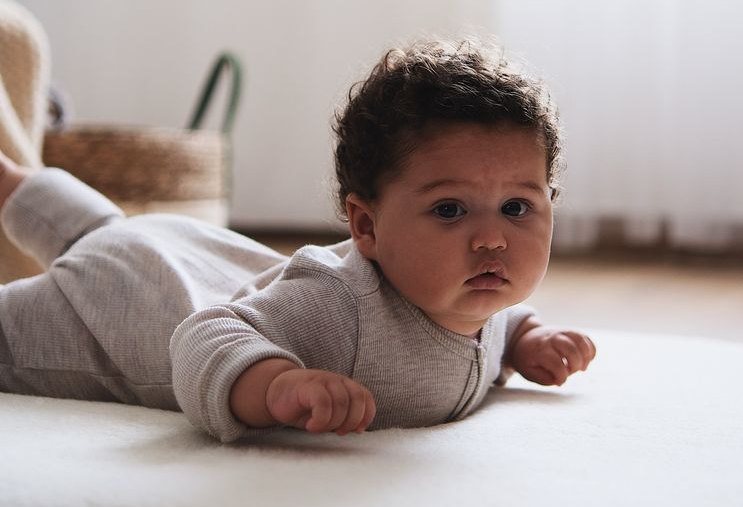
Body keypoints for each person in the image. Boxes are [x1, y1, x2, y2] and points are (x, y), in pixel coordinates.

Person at [0, 38, 596, 443]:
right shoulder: (337, 304)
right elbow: (204, 334)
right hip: (119, 312)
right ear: (366, 227)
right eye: (449, 209)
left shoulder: (474, 289)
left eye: (517, 207)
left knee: (104, 231)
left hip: (175, 248)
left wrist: (528, 337)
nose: (492, 239)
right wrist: (275, 384)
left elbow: (499, 321)